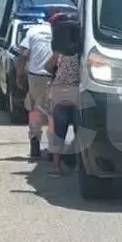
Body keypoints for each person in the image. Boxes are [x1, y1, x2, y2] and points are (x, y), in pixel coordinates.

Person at [16, 10, 56, 160]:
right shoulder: (60, 31)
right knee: (54, 112)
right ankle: (53, 148)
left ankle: (35, 142)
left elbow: (24, 54)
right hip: (55, 76)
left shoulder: (33, 30)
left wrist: (20, 74)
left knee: (35, 110)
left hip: (35, 76)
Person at [43, 43, 81, 177]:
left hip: (59, 92)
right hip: (78, 92)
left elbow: (47, 66)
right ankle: (80, 166)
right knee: (80, 132)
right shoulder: (85, 51)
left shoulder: (60, 51)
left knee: (58, 132)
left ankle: (57, 167)